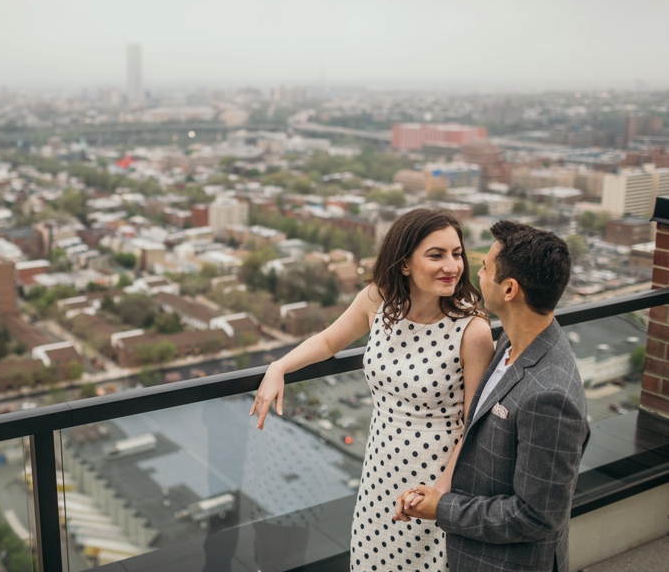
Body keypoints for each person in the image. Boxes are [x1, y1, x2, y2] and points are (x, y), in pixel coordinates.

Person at [250, 208, 494, 572]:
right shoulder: (378, 300)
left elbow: (473, 425)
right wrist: (278, 366)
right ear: (405, 263)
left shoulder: (472, 331)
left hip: (435, 477)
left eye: (456, 254)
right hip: (379, 469)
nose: (452, 266)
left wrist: (440, 494)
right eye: (436, 254)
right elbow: (330, 339)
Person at [394, 220, 590, 572]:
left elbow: (536, 516)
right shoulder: (514, 343)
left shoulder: (550, 396)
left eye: (484, 267)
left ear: (510, 289)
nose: (476, 274)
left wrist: (443, 508)